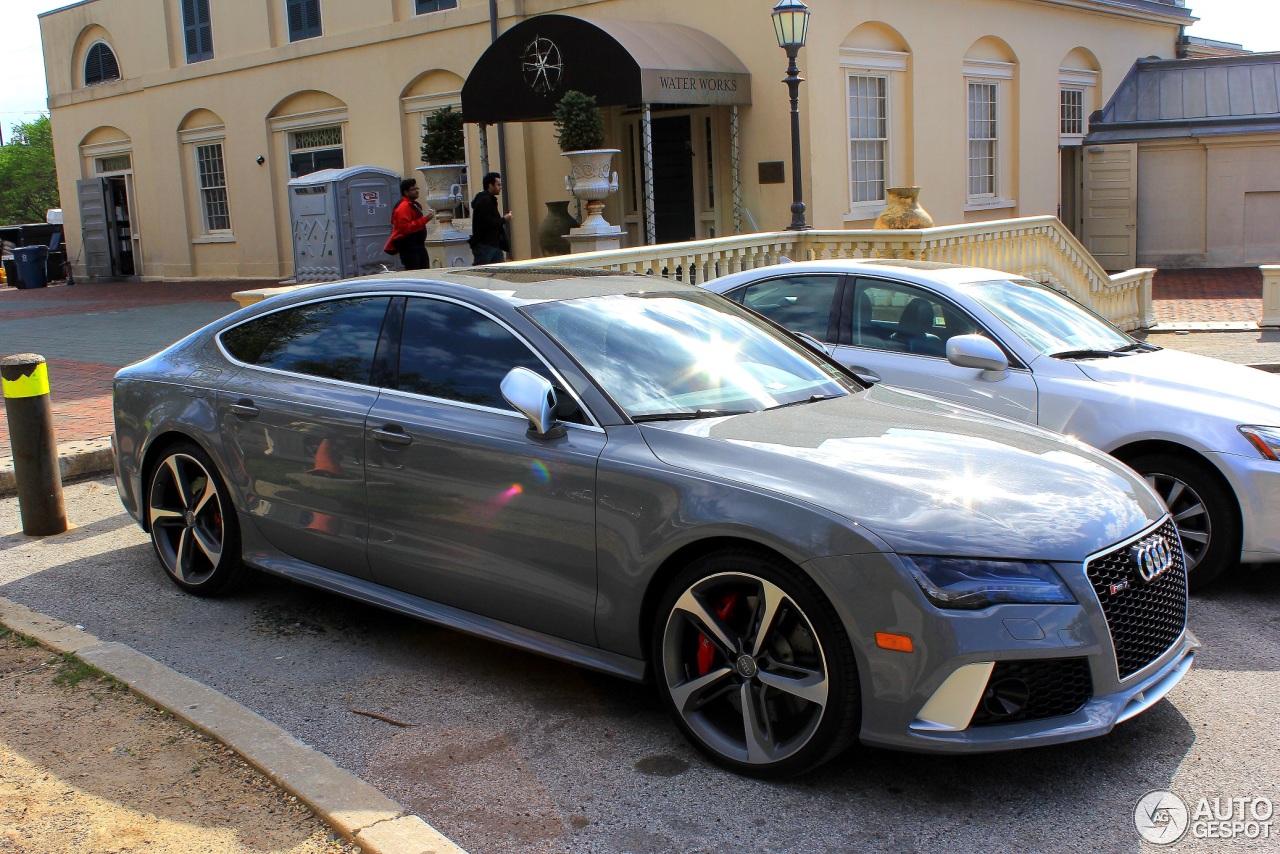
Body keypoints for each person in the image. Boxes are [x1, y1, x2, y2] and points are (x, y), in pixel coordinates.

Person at [384, 178, 432, 270]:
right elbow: (405, 228)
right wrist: (425, 220)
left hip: (418, 246)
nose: (417, 191)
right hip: (410, 248)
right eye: (413, 189)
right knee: (415, 273)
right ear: (406, 192)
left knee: (423, 272)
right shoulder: (404, 206)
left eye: (417, 188)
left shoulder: (412, 204)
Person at [469, 172, 512, 265]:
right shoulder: (485, 200)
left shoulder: (488, 199)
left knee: (498, 272)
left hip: (493, 244)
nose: (500, 187)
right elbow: (488, 222)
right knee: (483, 273)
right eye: (498, 184)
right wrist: (504, 219)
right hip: (485, 245)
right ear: (490, 185)